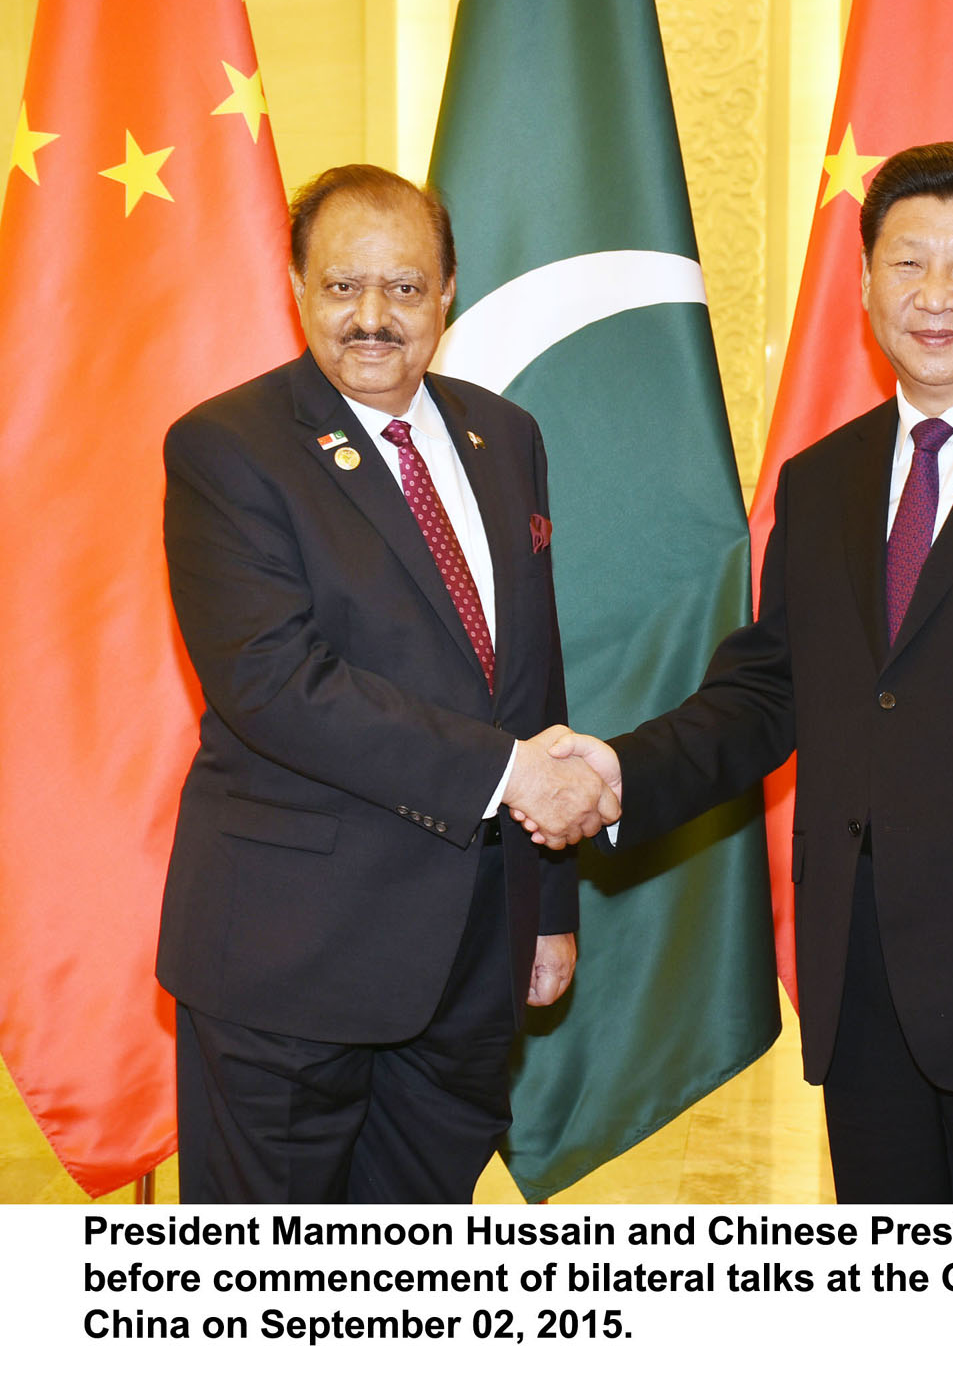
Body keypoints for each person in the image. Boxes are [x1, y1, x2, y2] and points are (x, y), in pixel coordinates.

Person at [538, 141, 953, 1203]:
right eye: (907, 265)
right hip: (864, 980)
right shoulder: (822, 481)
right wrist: (616, 773)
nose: (934, 295)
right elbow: (768, 690)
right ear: (864, 284)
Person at [158, 164, 616, 1203]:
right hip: (291, 958)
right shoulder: (228, 447)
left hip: (469, 960)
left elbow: (529, 678)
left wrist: (546, 907)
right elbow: (275, 684)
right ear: (296, 286)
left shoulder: (507, 438)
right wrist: (511, 775)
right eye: (342, 287)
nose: (373, 317)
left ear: (449, 290)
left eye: (404, 288)